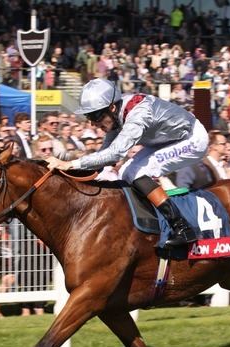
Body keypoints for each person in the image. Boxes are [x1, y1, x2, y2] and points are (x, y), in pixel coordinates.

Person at [46, 78, 207, 247]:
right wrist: (73, 173)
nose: (93, 123)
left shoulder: (138, 114)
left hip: (192, 139)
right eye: (88, 116)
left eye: (95, 116)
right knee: (124, 173)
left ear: (112, 108)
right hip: (169, 139)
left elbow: (114, 154)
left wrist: (70, 164)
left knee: (136, 172)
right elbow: (103, 155)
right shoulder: (116, 115)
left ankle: (182, 228)